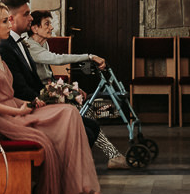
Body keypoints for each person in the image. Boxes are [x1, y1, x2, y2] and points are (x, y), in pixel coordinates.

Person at [0, 2, 105, 194]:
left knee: (68, 113)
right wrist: (18, 112)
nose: (8, 24)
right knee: (66, 117)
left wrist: (30, 103)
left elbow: (9, 94)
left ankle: (76, 186)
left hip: (15, 107)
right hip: (5, 118)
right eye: (4, 21)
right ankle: (71, 188)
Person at [0, 0, 101, 149]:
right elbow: (19, 88)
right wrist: (50, 102)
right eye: (26, 14)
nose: (30, 18)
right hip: (26, 108)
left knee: (92, 125)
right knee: (85, 130)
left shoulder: (22, 42)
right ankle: (68, 166)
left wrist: (64, 91)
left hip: (38, 99)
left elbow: (36, 80)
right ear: (11, 18)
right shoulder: (5, 47)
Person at [27, 9, 128, 170]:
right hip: (40, 95)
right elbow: (57, 59)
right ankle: (109, 156)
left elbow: (49, 76)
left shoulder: (42, 43)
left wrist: (68, 88)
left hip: (49, 89)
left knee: (86, 111)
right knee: (84, 111)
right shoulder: (30, 46)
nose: (51, 28)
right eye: (47, 24)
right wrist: (89, 56)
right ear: (34, 28)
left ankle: (104, 155)